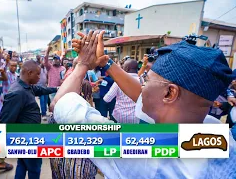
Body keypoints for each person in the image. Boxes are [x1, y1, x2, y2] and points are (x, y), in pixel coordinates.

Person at [51, 30, 236, 178]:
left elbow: (60, 105)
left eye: (146, 80)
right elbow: (145, 96)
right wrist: (106, 63)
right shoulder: (215, 132)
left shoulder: (147, 154)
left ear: (170, 93)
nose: (142, 86)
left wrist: (82, 63)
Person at [0, 60, 58, 179]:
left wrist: (57, 88)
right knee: (34, 168)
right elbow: (5, 122)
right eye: (37, 74)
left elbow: (41, 90)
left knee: (22, 164)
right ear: (29, 73)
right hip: (26, 139)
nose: (39, 77)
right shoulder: (17, 93)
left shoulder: (26, 86)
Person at [103, 59, 139, 123]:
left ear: (127, 68)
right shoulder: (142, 81)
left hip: (120, 117)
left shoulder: (119, 81)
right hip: (137, 118)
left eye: (123, 66)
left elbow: (107, 99)